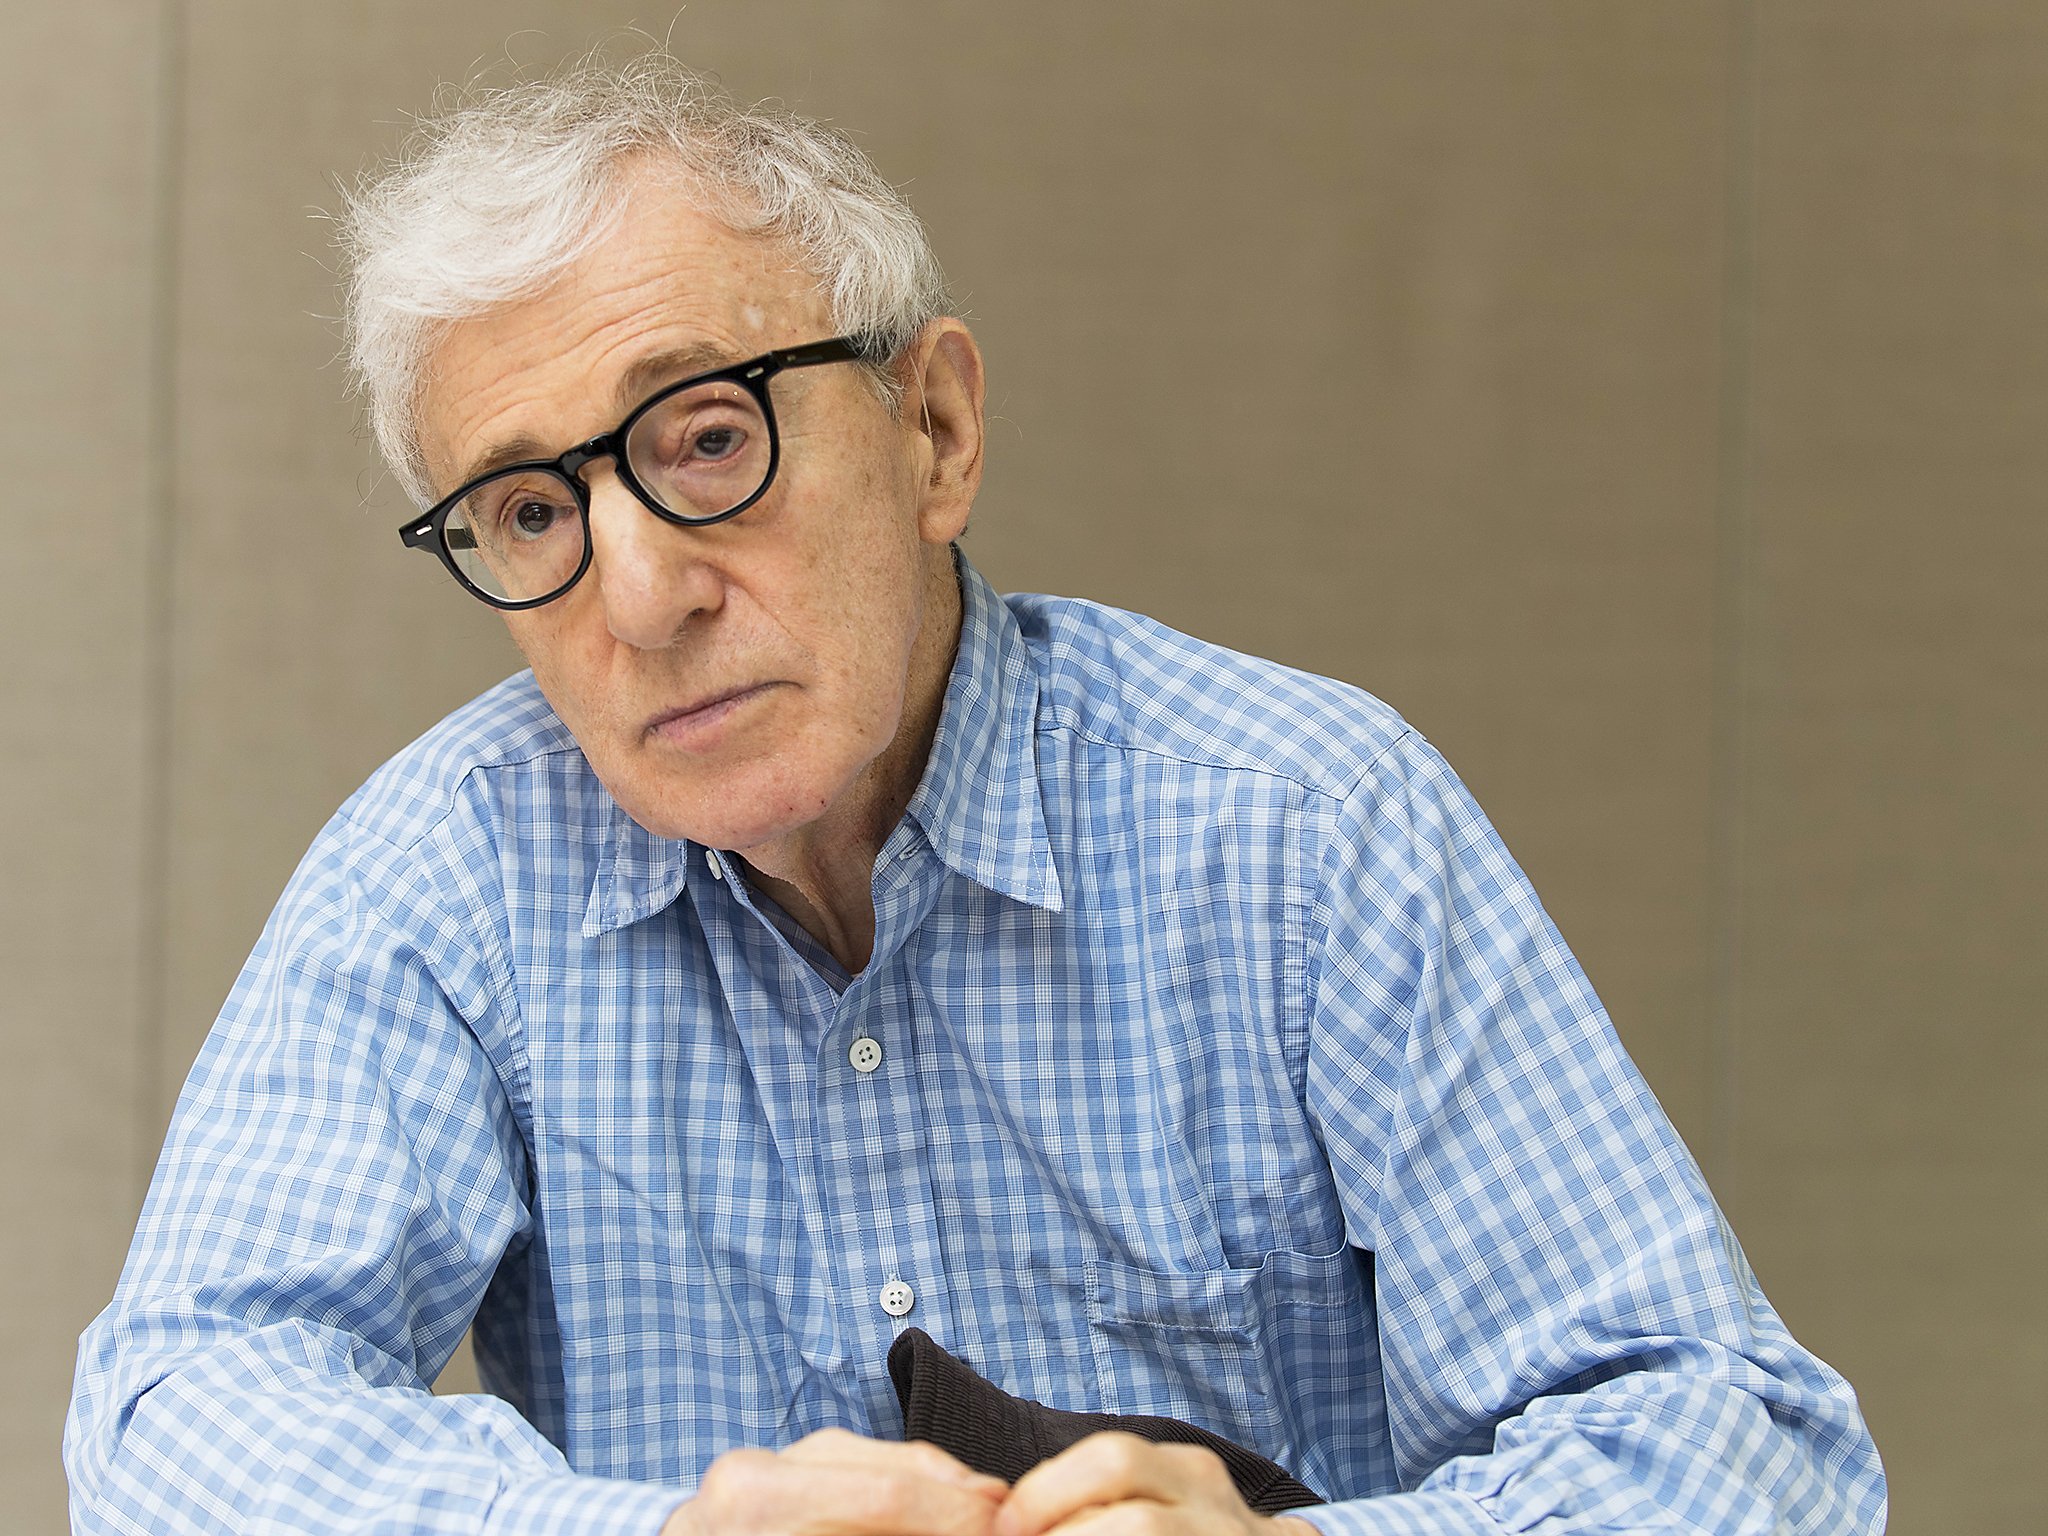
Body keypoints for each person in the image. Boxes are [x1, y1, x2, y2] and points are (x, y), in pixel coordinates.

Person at [65, 55, 1885, 1536]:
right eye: (533, 510)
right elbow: (174, 1418)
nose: (641, 594)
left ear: (934, 430)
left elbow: (1745, 1450)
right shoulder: (453, 870)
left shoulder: (1304, 827)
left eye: (709, 437)